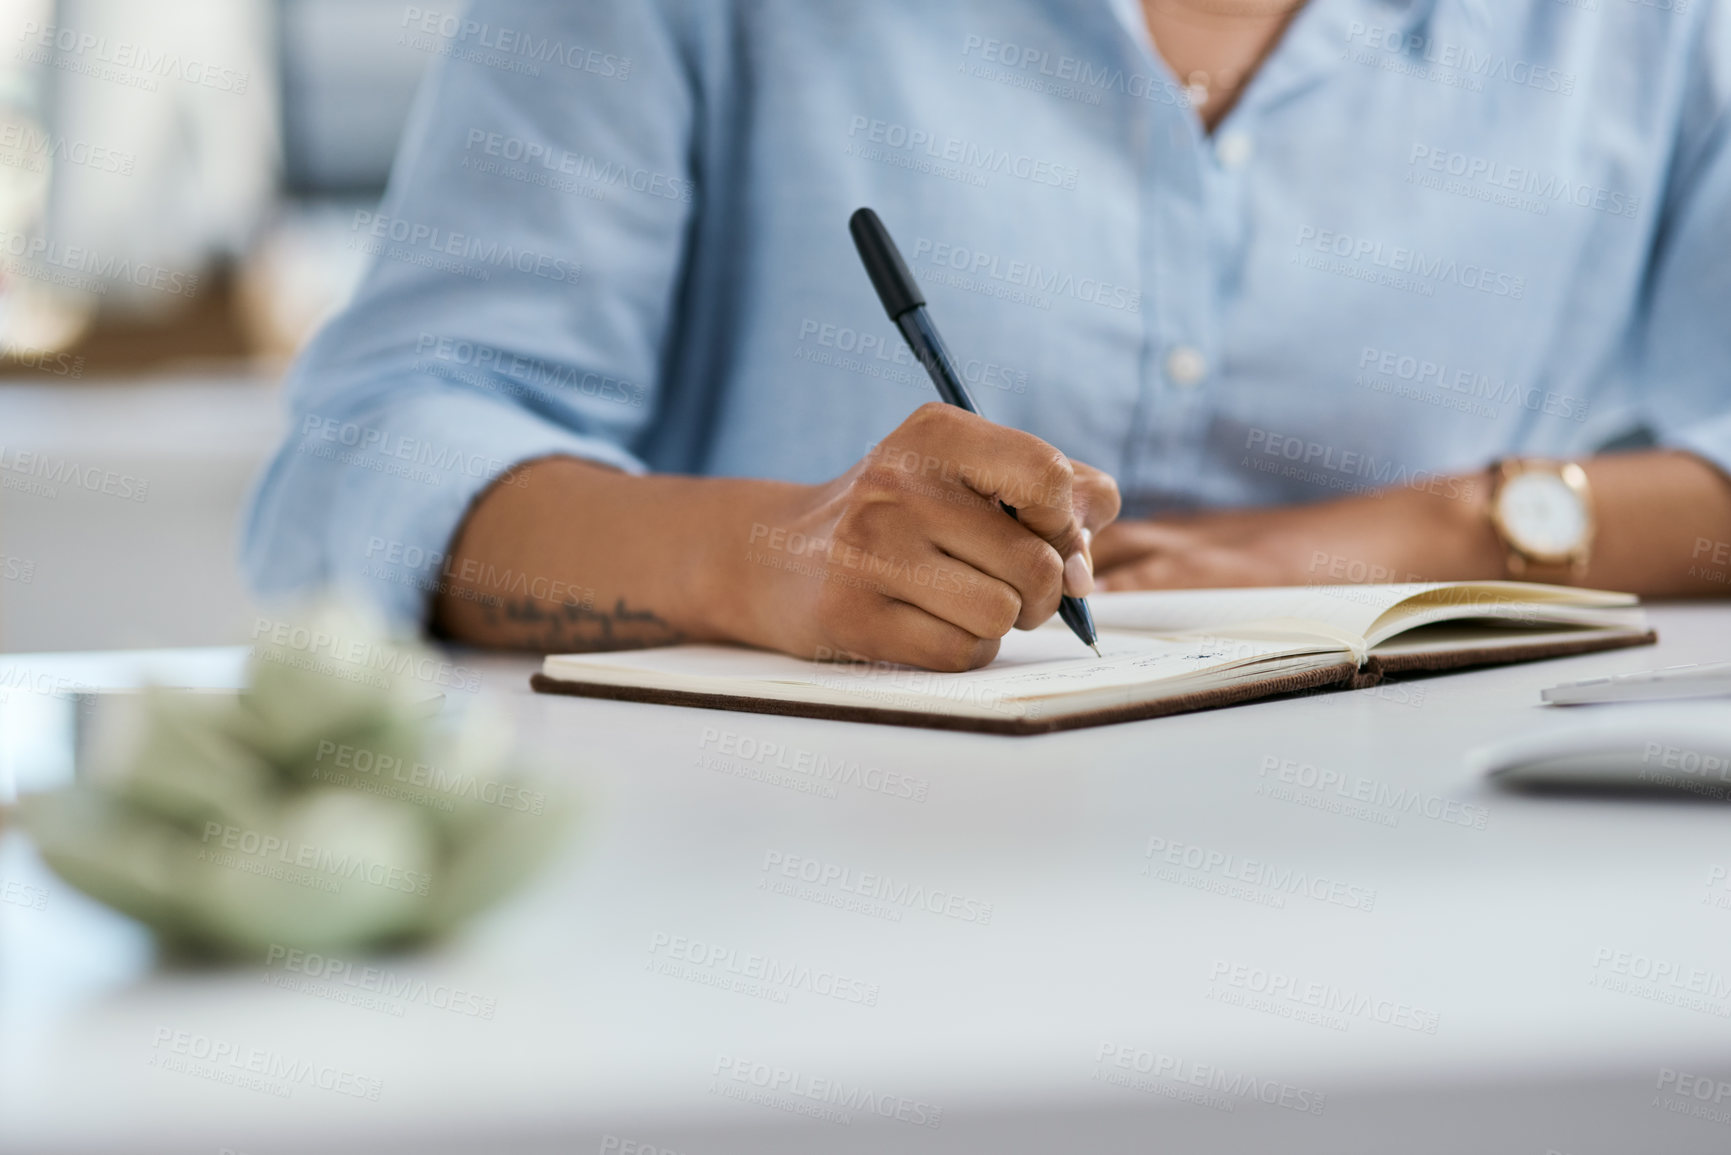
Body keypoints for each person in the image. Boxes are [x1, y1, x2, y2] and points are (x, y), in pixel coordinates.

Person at [244, 0, 1731, 672]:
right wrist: (766, 559)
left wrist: (1446, 528)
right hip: (765, 915)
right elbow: (363, 468)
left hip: (1445, 898)